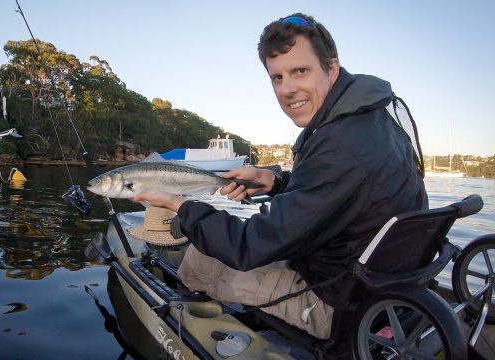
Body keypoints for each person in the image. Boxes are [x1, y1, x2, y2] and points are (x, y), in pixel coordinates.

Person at [131, 12, 427, 339]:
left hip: (340, 304)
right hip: (380, 283)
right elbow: (334, 192)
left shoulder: (339, 145)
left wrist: (179, 203)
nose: (287, 89)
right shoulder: (373, 116)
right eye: (277, 77)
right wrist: (276, 181)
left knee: (199, 260)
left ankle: (197, 328)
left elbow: (247, 247)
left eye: (300, 71)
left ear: (332, 68)